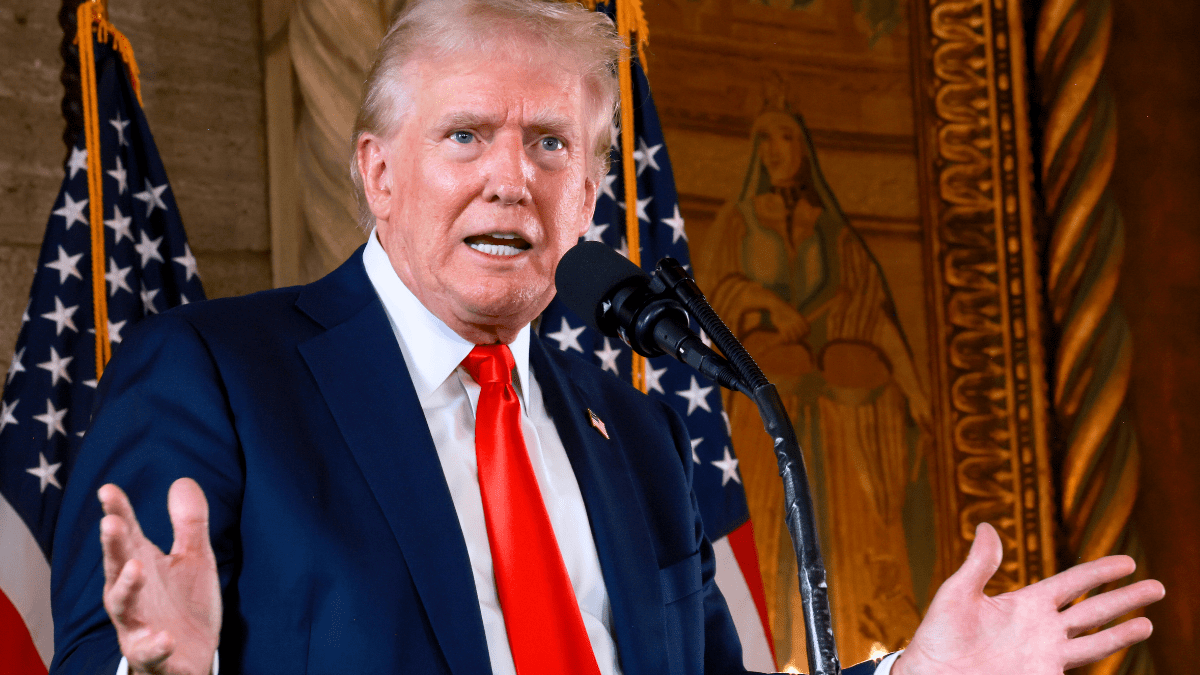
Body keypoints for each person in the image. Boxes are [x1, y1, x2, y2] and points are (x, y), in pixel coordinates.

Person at [49, 1, 1163, 674]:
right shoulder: (220, 376)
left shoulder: (634, 432)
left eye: (549, 145)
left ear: (588, 195)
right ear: (377, 174)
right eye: (466, 133)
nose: (511, 178)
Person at [699, 103, 932, 661]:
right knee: (761, 527)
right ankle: (763, 653)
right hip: (760, 419)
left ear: (803, 150)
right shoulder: (737, 223)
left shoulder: (834, 232)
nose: (778, 149)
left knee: (840, 531)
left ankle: (851, 654)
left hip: (831, 419)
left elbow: (872, 312)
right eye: (767, 140)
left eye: (787, 137)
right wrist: (764, 304)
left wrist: (916, 393)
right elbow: (711, 301)